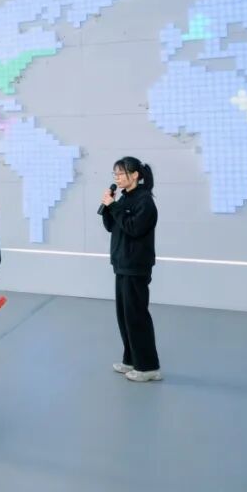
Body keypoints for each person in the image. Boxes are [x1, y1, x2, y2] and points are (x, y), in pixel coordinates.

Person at [101, 156, 162, 383]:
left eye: (121, 173)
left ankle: (148, 367)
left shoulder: (145, 201)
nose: (117, 178)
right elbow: (112, 226)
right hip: (122, 264)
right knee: (125, 316)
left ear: (135, 175)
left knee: (136, 316)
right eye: (115, 174)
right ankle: (131, 360)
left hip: (136, 266)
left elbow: (133, 228)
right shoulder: (125, 197)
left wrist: (114, 207)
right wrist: (108, 207)